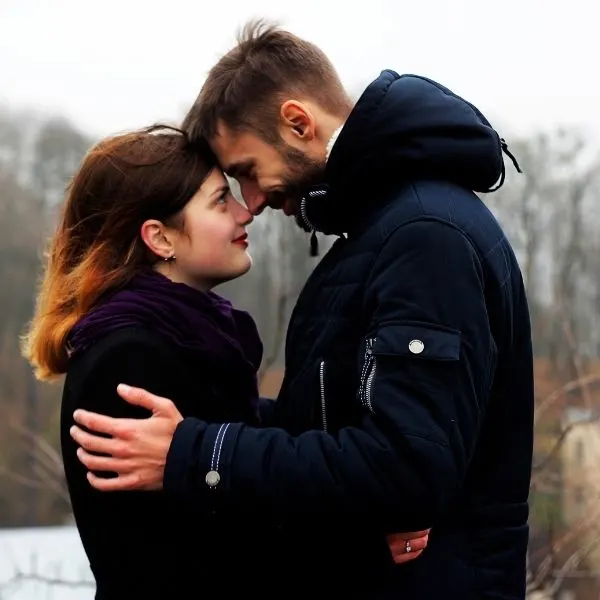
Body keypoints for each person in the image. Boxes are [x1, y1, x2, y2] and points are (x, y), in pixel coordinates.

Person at [69, 21, 534, 599]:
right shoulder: (380, 232)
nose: (254, 202)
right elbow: (350, 421)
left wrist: (198, 452)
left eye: (244, 172)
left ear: (297, 122)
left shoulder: (422, 236)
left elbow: (410, 468)